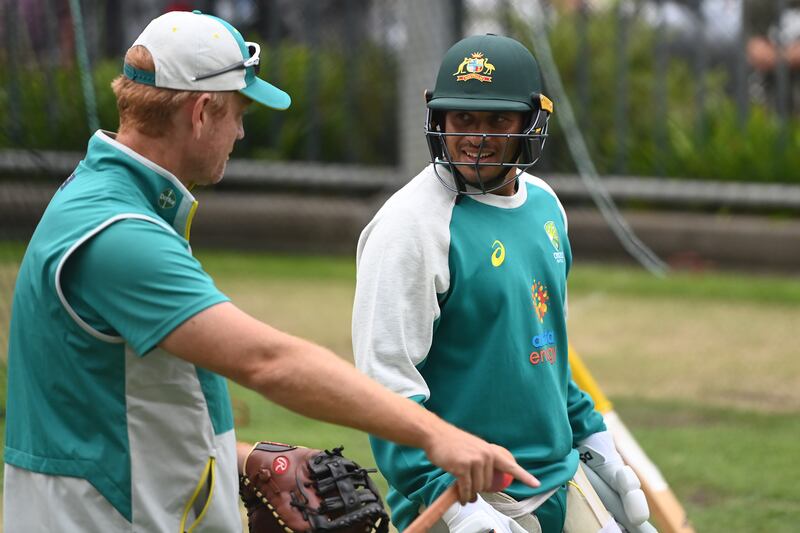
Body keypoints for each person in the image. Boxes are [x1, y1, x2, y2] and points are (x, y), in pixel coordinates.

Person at [2, 12, 538, 532]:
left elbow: (108, 413)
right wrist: (436, 436)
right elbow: (268, 363)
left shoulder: (109, 201)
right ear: (202, 111)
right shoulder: (118, 233)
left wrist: (243, 459)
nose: (239, 133)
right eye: (239, 113)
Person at [353, 34, 652, 533]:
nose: (477, 137)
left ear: (531, 122)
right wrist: (454, 502)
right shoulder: (409, 226)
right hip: (470, 498)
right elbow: (386, 392)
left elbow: (546, 351)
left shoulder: (545, 205)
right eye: (463, 119)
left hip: (561, 479)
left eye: (498, 120)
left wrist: (593, 439)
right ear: (438, 119)